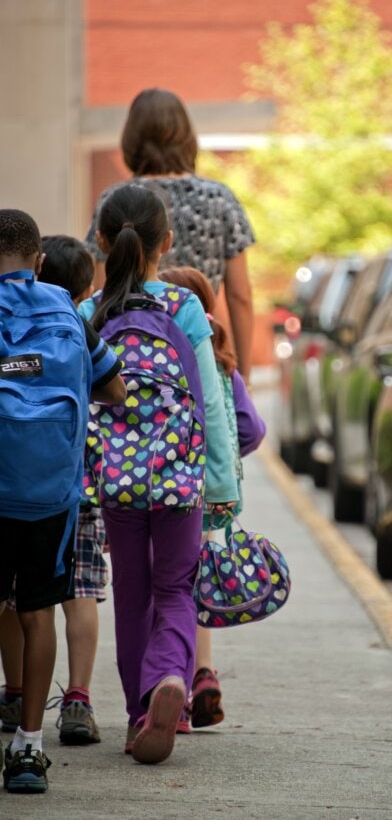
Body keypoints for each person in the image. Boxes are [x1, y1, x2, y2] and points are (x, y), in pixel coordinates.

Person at [79, 183, 239, 765]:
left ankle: (140, 711)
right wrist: (220, 483)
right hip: (180, 475)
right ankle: (171, 675)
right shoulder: (185, 306)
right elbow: (210, 403)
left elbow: (76, 403)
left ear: (100, 241)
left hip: (118, 480)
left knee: (132, 594)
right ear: (166, 244)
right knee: (176, 589)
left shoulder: (87, 311)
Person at [0, 210, 125, 794]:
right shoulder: (67, 310)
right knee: (37, 611)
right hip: (48, 493)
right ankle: (28, 750)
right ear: (40, 260)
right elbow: (116, 388)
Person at [85, 87, 256, 385]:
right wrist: (244, 377)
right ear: (187, 137)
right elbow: (240, 296)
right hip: (204, 358)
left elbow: (101, 289)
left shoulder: (116, 200)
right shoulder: (219, 198)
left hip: (130, 364)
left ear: (131, 139)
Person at [159, 266, 266, 730]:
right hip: (212, 497)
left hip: (162, 488)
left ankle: (172, 684)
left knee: (164, 589)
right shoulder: (222, 364)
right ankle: (203, 672)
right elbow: (252, 429)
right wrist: (224, 459)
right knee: (193, 586)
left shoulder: (156, 354)